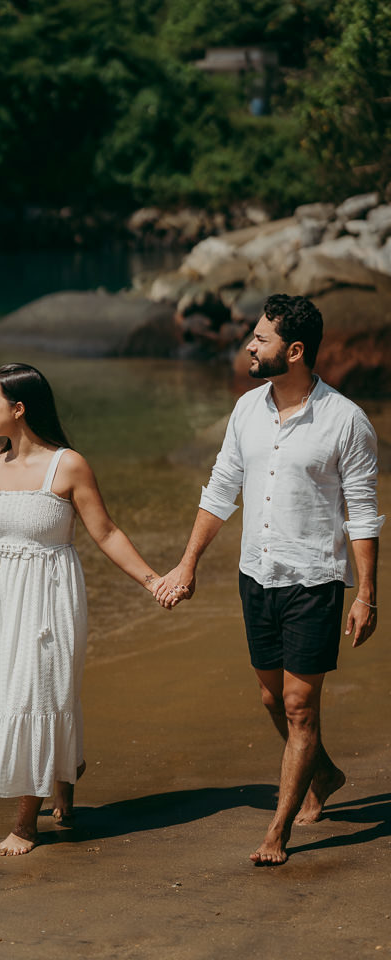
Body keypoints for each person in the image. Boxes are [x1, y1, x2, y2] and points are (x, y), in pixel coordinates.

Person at [154, 294, 384, 865]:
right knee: (271, 696)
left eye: (260, 339)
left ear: (295, 350)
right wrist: (187, 564)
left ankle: (279, 831)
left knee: (302, 706)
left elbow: (363, 511)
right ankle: (325, 772)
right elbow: (220, 489)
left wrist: (367, 596)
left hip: (314, 580)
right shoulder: (246, 410)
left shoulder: (346, 420)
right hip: (256, 574)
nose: (249, 347)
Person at [0, 362, 163, 856]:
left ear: (19, 408)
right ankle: (64, 776)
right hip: (5, 599)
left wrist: (153, 581)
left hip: (51, 597)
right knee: (7, 699)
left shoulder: (68, 465)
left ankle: (26, 824)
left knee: (36, 692)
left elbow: (107, 533)